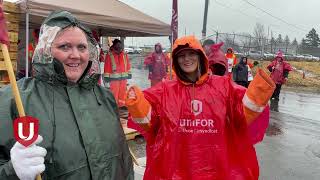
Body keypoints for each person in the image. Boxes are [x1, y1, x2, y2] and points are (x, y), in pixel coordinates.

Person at [0, 11, 133, 179]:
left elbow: (124, 160)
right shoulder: (14, 99)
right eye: (64, 46)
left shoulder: (104, 97)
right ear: (46, 50)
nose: (75, 55)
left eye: (82, 47)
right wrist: (12, 172)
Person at [125, 35, 275, 179]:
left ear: (200, 56)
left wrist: (260, 90)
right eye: (181, 56)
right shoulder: (165, 90)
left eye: (191, 54)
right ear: (176, 60)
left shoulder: (222, 86)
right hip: (177, 167)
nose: (187, 59)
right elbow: (149, 121)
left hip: (215, 166)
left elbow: (242, 114)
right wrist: (136, 102)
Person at [104, 39, 132, 107]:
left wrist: (129, 73)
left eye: (120, 45)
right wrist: (106, 77)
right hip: (114, 79)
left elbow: (127, 64)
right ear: (114, 45)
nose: (119, 46)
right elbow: (107, 66)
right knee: (114, 93)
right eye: (118, 45)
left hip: (123, 78)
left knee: (123, 92)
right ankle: (114, 106)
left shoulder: (124, 54)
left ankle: (121, 106)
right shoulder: (110, 54)